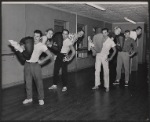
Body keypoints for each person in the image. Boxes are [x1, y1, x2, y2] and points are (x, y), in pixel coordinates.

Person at [19, 30, 52, 105]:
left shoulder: (42, 46)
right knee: (28, 82)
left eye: (37, 36)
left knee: (39, 82)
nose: (35, 37)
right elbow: (23, 51)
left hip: (36, 65)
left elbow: (50, 55)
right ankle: (29, 98)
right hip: (27, 64)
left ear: (40, 37)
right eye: (34, 36)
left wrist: (42, 61)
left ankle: (41, 98)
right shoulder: (30, 43)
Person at [92, 28, 116, 92]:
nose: (104, 34)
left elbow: (115, 50)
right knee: (97, 70)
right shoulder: (99, 39)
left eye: (105, 32)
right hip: (98, 55)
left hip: (105, 56)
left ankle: (107, 86)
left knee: (106, 71)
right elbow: (95, 46)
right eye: (103, 32)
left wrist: (111, 58)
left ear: (108, 33)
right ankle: (97, 85)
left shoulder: (110, 41)